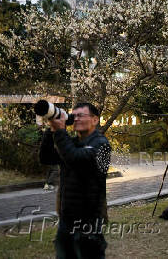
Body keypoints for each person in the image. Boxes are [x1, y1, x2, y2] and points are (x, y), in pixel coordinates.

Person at [39, 102, 111, 259]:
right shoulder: (71, 142)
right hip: (67, 219)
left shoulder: (102, 144)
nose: (76, 119)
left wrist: (60, 132)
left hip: (88, 220)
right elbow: (46, 157)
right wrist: (51, 131)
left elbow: (75, 158)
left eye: (81, 115)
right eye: (74, 115)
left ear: (95, 120)